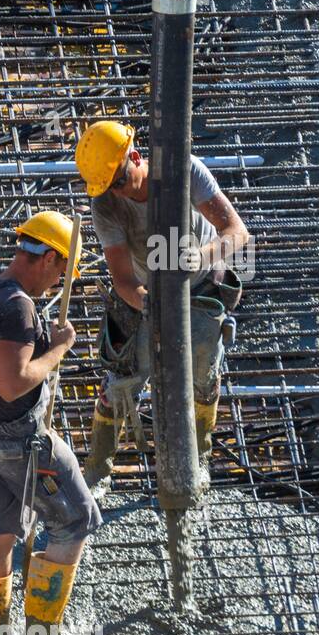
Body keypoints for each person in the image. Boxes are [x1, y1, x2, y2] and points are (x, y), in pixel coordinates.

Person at [0, 211, 101, 635]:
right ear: (50, 257)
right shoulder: (17, 306)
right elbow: (12, 382)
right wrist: (58, 348)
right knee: (77, 518)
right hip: (16, 438)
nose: (59, 282)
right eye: (62, 271)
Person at [76, 121, 251, 490]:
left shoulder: (183, 170)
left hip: (201, 282)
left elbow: (237, 232)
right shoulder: (105, 202)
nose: (116, 192)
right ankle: (96, 472)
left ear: (135, 157)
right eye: (108, 187)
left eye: (120, 181)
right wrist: (150, 307)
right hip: (147, 292)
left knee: (203, 369)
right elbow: (123, 279)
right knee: (122, 379)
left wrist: (199, 258)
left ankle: (198, 458)